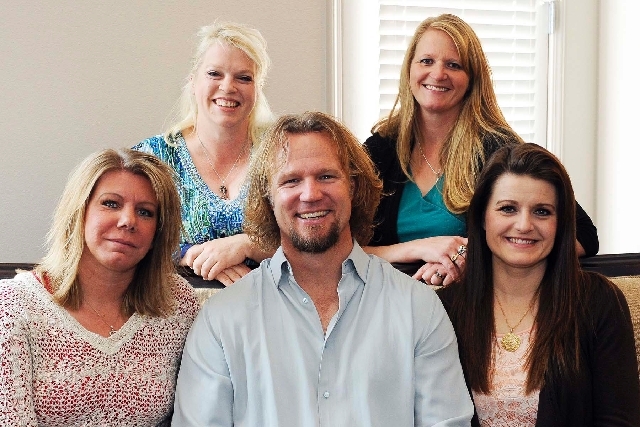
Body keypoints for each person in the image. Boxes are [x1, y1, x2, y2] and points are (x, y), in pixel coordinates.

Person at [171, 112, 474, 426]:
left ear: (353, 187)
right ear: (268, 196)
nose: (311, 194)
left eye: (326, 176)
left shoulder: (418, 308)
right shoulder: (222, 320)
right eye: (291, 180)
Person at [363, 13, 599, 286]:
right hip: (388, 300)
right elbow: (336, 247)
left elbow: (582, 235)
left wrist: (472, 260)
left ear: (472, 79)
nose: (438, 74)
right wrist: (414, 249)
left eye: (454, 65)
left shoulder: (498, 150)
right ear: (409, 70)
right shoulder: (379, 150)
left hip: (470, 302)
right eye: (426, 61)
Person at [438, 143, 640, 425]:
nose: (524, 225)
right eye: (508, 209)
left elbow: (619, 420)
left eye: (542, 212)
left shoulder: (598, 301)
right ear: (483, 217)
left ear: (561, 223)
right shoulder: (444, 309)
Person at [0, 149, 200, 426]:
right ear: (79, 212)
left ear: (158, 231)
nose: (128, 221)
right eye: (111, 204)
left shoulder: (178, 304)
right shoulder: (14, 305)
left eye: (145, 212)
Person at [134, 21, 274, 285]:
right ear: (192, 82)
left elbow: (313, 235)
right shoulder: (154, 158)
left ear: (258, 89)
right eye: (214, 74)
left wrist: (247, 245)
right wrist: (191, 256)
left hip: (268, 303)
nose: (228, 87)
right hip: (174, 305)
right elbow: (128, 235)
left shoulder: (280, 156)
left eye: (244, 77)